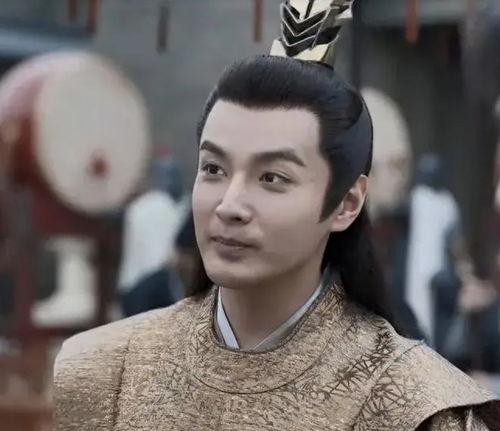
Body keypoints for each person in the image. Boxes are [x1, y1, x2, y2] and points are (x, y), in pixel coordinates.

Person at [54, 1, 500, 430]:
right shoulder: (103, 372)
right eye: (213, 169)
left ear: (346, 203)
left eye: (272, 177)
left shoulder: (416, 406)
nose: (229, 205)